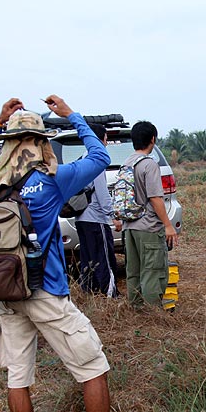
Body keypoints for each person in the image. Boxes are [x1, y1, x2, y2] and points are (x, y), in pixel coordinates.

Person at [0, 97, 147, 412]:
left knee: (18, 376)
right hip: (45, 292)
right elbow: (99, 158)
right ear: (40, 141)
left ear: (8, 143)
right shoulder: (50, 180)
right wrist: (74, 117)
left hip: (5, 291)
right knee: (92, 366)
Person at [122, 121, 179, 308]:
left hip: (129, 226)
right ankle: (153, 312)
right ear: (152, 139)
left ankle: (136, 307)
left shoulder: (127, 162)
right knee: (153, 270)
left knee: (134, 270)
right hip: (148, 227)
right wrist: (168, 225)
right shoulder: (149, 165)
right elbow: (155, 198)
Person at [75, 123, 121, 298]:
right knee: (105, 258)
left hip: (81, 218)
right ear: (99, 139)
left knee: (87, 258)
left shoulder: (82, 159)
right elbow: (102, 194)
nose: (107, 143)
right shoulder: (97, 160)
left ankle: (89, 292)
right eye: (106, 139)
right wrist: (113, 217)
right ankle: (110, 294)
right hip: (96, 219)